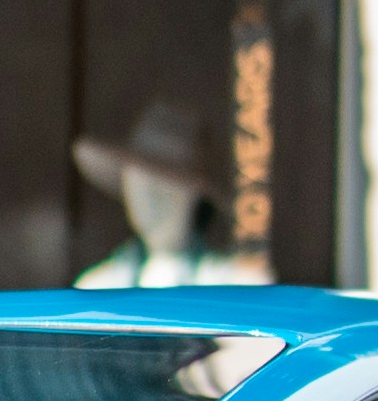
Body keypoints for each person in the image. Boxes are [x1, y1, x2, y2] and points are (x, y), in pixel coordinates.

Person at [72, 97, 262, 291]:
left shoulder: (239, 287)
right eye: (139, 187)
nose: (151, 202)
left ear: (196, 198)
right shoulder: (98, 289)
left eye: (165, 190)